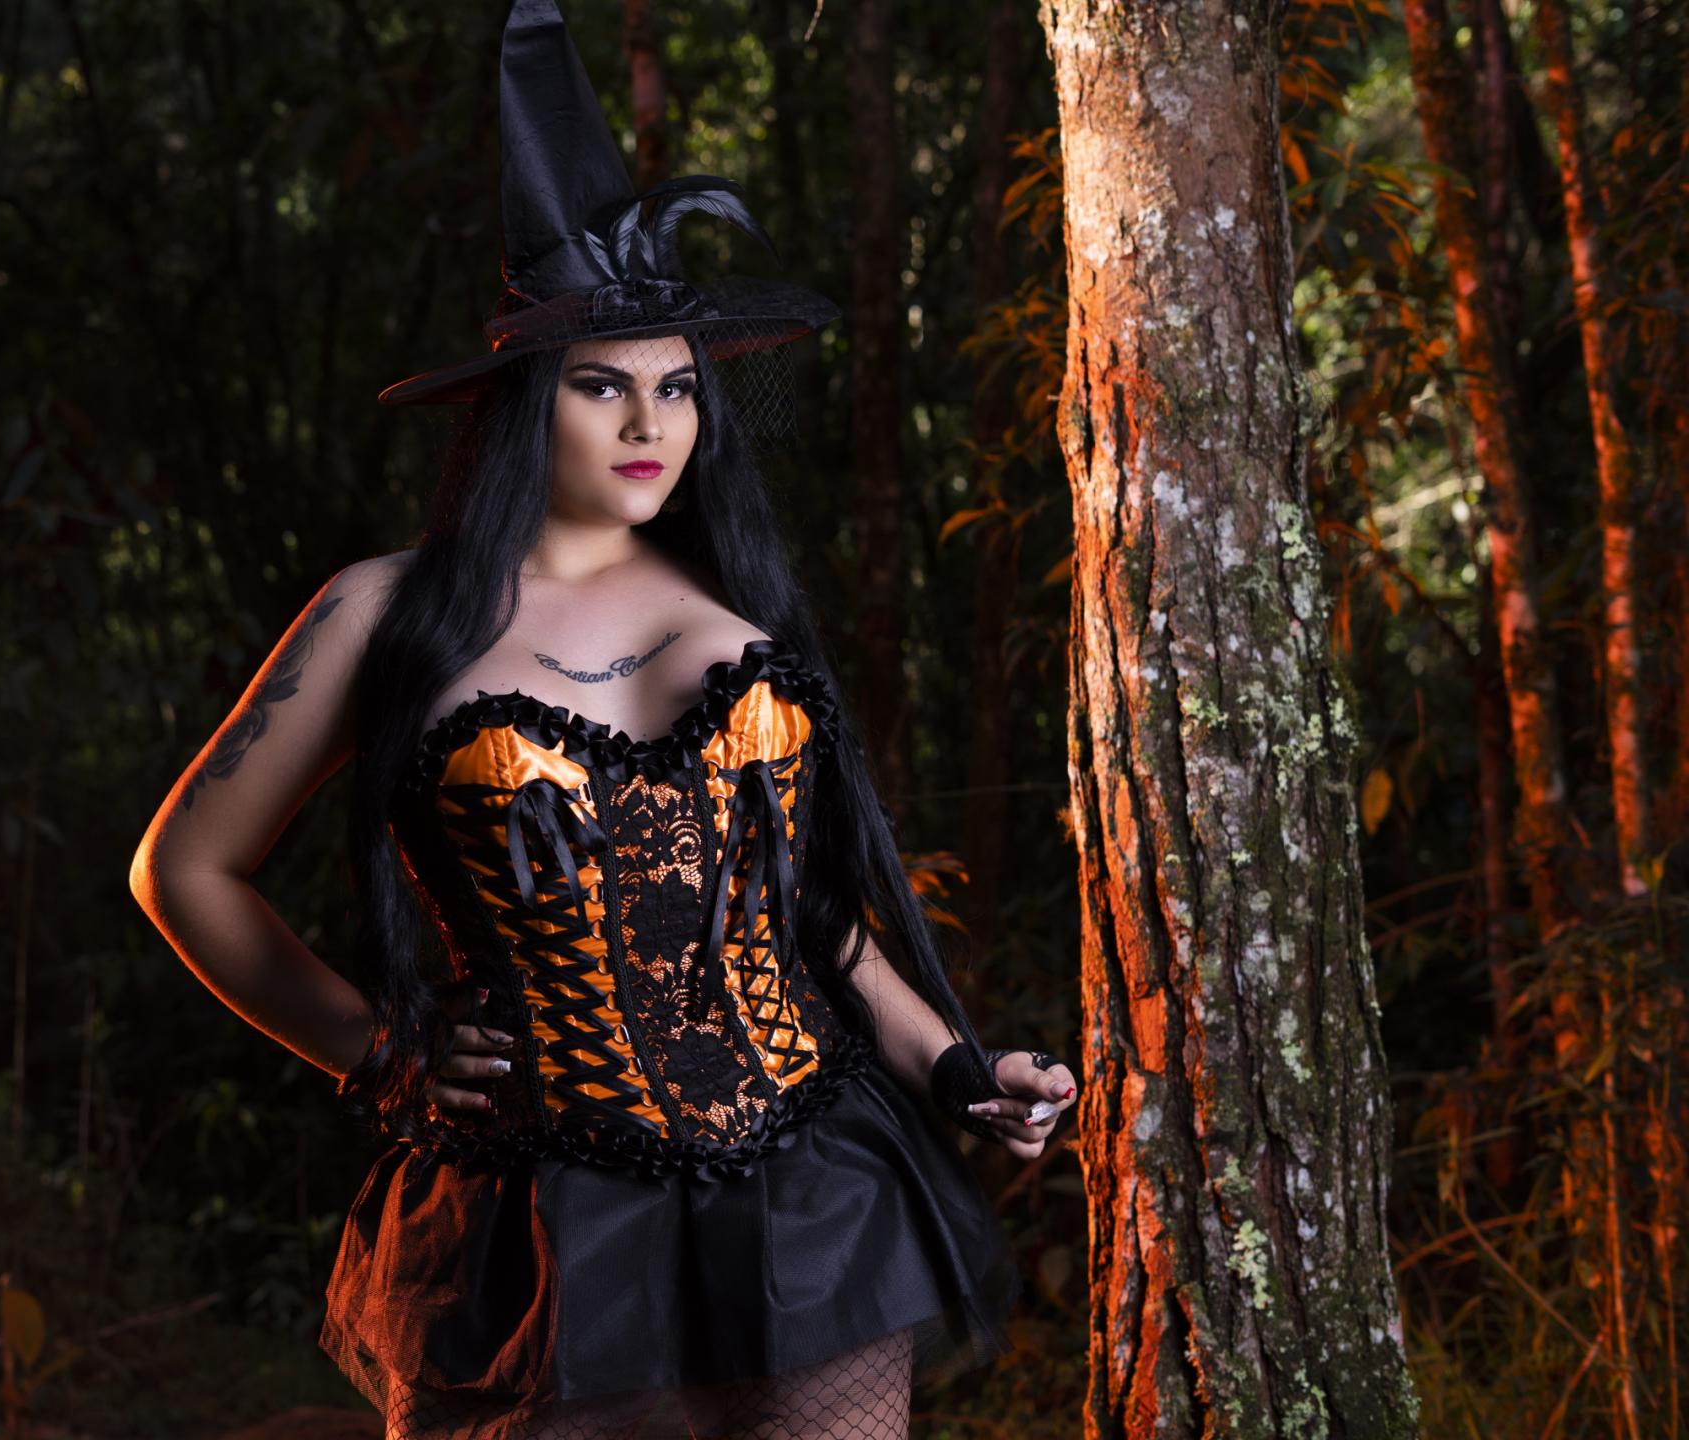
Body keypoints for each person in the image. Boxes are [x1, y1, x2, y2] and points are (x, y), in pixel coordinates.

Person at [129, 3, 1076, 1435]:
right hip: (542, 1217)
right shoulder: (387, 613)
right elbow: (183, 870)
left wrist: (957, 1063)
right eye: (603, 386)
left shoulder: (741, 613)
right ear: (528, 399)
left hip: (810, 1187)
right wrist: (377, 1051)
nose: (650, 425)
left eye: (678, 388)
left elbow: (806, 917)